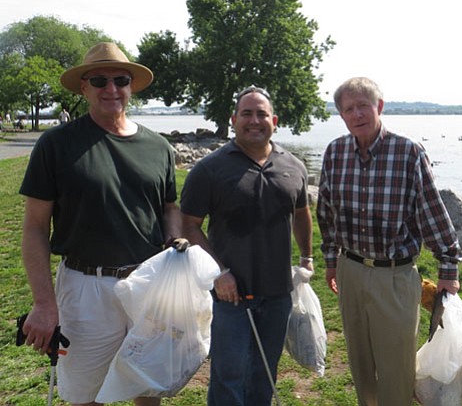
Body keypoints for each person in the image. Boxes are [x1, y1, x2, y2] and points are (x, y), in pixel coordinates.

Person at [19, 42, 181, 406]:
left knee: (148, 384)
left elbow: (170, 206)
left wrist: (174, 233)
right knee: (85, 395)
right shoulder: (56, 144)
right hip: (85, 289)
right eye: (99, 80)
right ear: (83, 87)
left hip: (147, 284)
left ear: (131, 86)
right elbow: (33, 227)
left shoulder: (159, 147)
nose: (111, 89)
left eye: (120, 80)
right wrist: (44, 303)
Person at [317, 77, 462, 406]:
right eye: (349, 109)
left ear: (379, 107)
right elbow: (325, 213)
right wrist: (330, 261)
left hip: (395, 276)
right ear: (341, 115)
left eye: (363, 106)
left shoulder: (408, 152)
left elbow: (432, 212)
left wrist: (448, 268)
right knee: (360, 360)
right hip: (350, 269)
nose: (357, 114)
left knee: (396, 366)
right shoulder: (335, 152)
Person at [180, 85, 314, 406]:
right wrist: (219, 272)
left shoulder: (293, 167)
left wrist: (307, 256)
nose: (254, 120)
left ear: (274, 120)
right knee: (229, 377)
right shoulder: (209, 169)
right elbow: (188, 226)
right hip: (229, 296)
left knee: (265, 374)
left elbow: (302, 213)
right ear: (233, 120)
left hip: (278, 294)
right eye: (247, 114)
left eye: (261, 114)